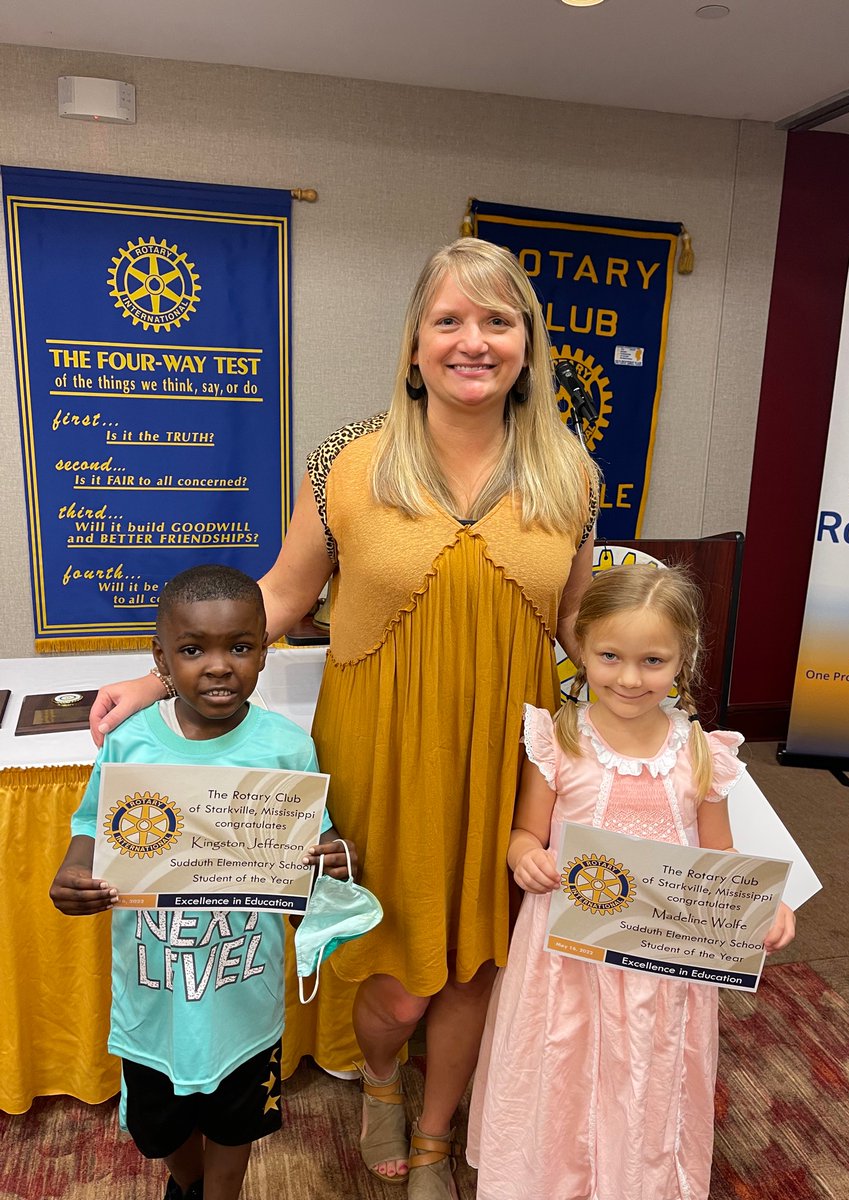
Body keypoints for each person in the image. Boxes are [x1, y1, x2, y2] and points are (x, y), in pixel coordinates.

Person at [88, 238, 599, 1199]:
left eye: (497, 320)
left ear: (527, 343)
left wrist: (657, 697)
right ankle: (378, 1080)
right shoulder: (349, 463)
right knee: (399, 981)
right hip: (383, 751)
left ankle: (437, 1138)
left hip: (506, 758)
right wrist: (153, 682)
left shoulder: (572, 471)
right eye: (448, 320)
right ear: (414, 343)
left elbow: (576, 621)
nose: (473, 342)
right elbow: (279, 599)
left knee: (477, 963)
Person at [466, 563, 796, 1200]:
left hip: (661, 965)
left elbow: (721, 860)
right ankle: (546, 1178)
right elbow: (524, 834)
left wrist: (765, 908)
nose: (628, 677)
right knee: (560, 1062)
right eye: (610, 656)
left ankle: (637, 1179)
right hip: (566, 956)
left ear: (683, 660)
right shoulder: (559, 739)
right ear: (581, 647)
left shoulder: (701, 750)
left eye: (652, 660)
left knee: (647, 1068)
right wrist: (524, 857)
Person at [52, 564, 356, 1200]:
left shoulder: (285, 747)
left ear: (264, 653)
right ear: (161, 658)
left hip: (243, 998)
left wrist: (332, 860)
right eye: (193, 650)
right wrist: (75, 870)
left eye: (240, 647)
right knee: (159, 1133)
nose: (219, 666)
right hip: (152, 1000)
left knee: (236, 1121)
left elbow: (314, 854)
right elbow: (91, 826)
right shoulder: (131, 743)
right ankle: (187, 1186)